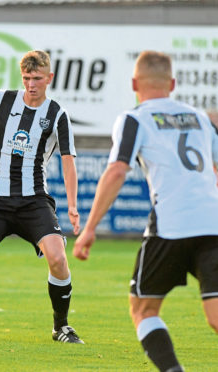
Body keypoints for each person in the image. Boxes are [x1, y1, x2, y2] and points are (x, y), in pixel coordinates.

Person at [73, 51, 218, 371]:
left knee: (144, 310)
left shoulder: (134, 118)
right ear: (174, 83)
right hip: (213, 224)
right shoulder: (201, 119)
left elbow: (116, 172)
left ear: (134, 83)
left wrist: (90, 227)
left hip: (171, 225)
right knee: (216, 317)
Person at [0, 50, 83, 343]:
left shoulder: (57, 114)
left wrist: (72, 205)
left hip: (34, 200)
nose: (31, 84)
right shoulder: (3, 100)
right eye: (26, 78)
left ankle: (61, 326)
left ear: (49, 79)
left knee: (58, 258)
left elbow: (69, 160)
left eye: (37, 78)